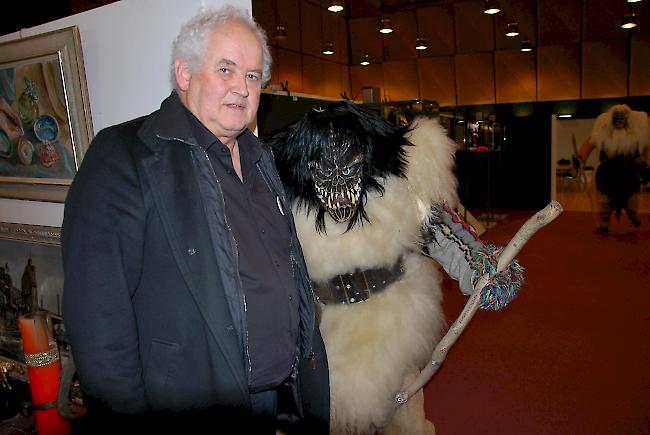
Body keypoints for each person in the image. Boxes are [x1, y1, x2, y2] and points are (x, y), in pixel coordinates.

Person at [61, 5, 329, 433]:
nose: (241, 88)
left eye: (253, 75)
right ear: (184, 75)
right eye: (226, 69)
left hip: (274, 403)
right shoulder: (126, 156)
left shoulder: (263, 159)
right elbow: (97, 318)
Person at [268, 101, 524, 434]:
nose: (338, 189)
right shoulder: (284, 207)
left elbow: (445, 234)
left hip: (393, 330)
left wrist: (483, 269)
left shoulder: (400, 194)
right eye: (323, 170)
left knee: (405, 424)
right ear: (305, 169)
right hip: (325, 339)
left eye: (349, 167)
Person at [578, 104, 649, 233]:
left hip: (628, 174)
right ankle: (605, 222)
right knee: (605, 200)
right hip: (608, 174)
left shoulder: (635, 138)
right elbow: (587, 146)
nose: (620, 120)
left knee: (631, 198)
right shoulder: (601, 135)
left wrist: (645, 166)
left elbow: (643, 152)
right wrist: (580, 160)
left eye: (623, 118)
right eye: (617, 117)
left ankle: (633, 215)